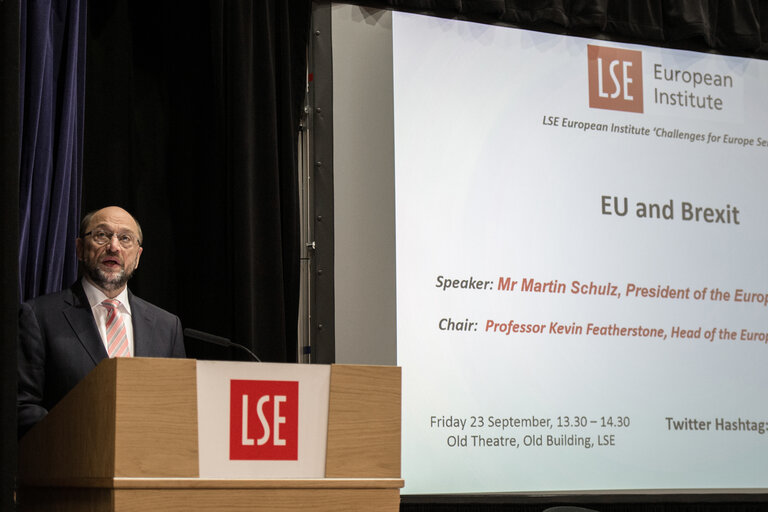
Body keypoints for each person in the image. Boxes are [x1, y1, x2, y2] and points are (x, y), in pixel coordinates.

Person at [17, 206, 186, 437]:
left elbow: (179, 410)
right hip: (69, 466)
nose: (113, 246)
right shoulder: (38, 316)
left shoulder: (167, 327)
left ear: (137, 257)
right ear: (79, 249)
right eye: (102, 235)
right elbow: (22, 407)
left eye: (125, 238)